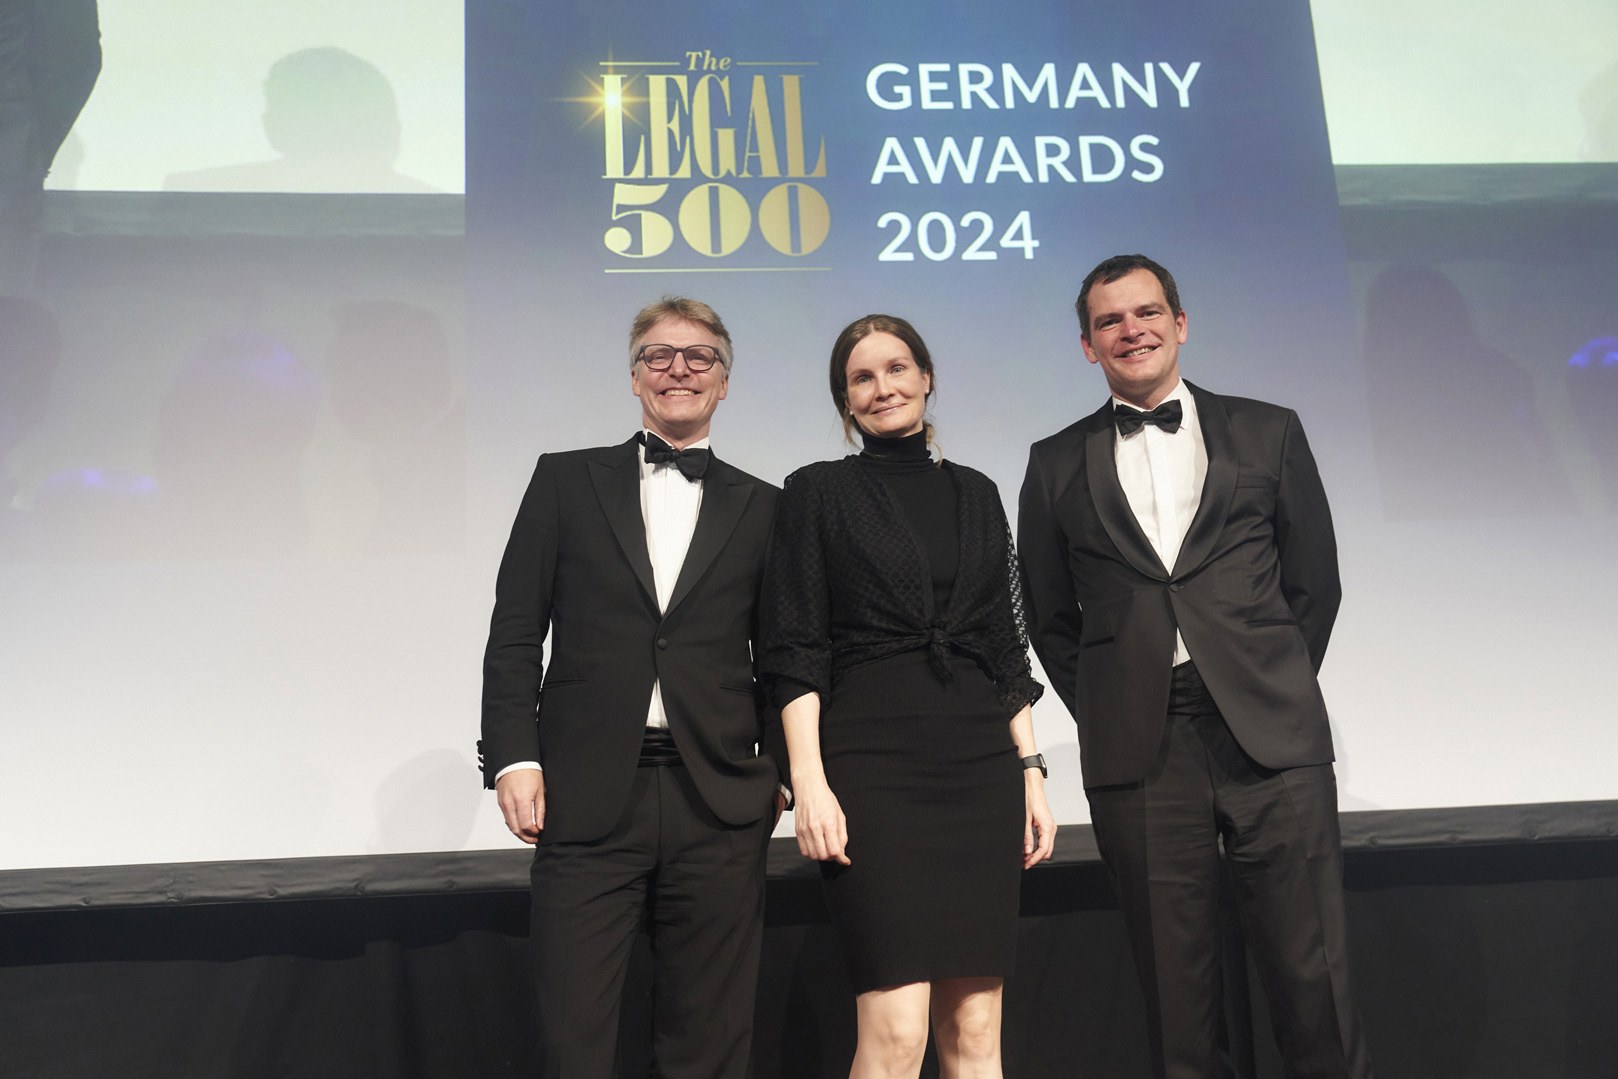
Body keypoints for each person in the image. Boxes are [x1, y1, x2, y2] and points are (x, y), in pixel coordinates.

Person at [1017, 254, 1373, 1079]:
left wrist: (1267, 677)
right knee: (1178, 1005)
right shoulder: (1054, 460)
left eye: (1147, 312)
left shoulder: (1268, 429)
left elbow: (1314, 582)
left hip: (1270, 737)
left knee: (1314, 985)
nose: (1130, 330)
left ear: (1180, 323)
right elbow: (1049, 616)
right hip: (1143, 751)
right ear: (1087, 345)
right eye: (1109, 321)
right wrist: (1113, 703)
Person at [479, 297, 785, 1079]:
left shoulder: (766, 505)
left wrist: (780, 775)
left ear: (724, 381)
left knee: (708, 1043)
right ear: (634, 376)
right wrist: (515, 756)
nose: (678, 369)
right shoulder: (564, 480)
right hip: (585, 797)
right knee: (572, 1039)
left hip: (717, 801)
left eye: (698, 356)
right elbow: (515, 630)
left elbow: (785, 653)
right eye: (658, 355)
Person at [761, 314, 1055, 1079]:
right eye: (862, 377)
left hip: (979, 766)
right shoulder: (817, 491)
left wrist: (1032, 771)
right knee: (896, 1033)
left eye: (896, 368)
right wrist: (808, 781)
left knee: (976, 1026)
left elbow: (1004, 646)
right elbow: (794, 648)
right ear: (845, 400)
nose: (882, 386)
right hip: (872, 768)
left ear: (927, 377)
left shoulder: (977, 492)